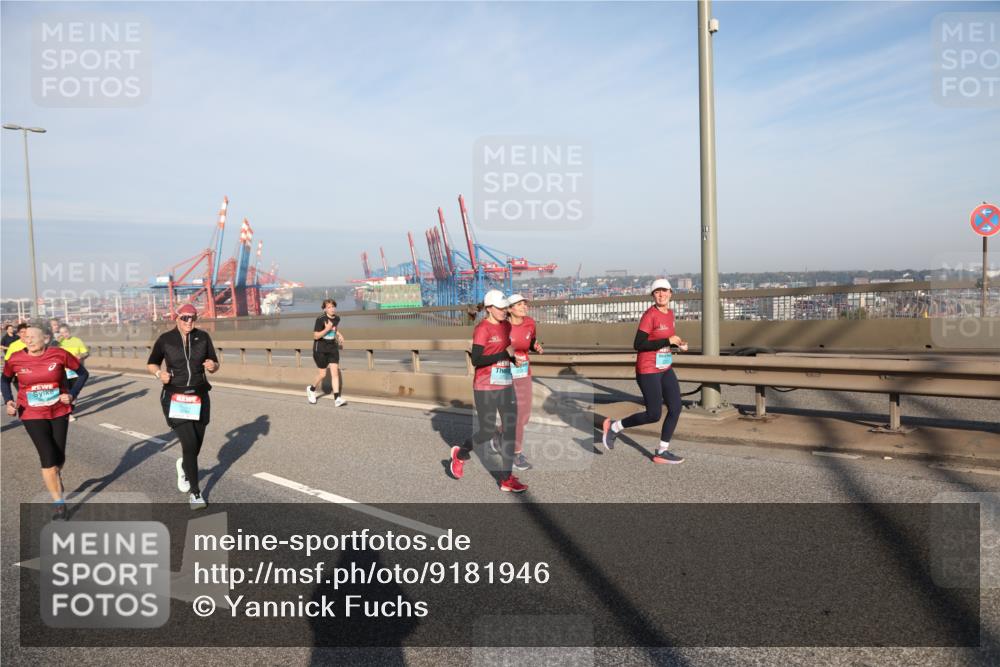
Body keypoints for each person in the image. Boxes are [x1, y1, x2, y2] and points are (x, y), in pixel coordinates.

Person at [2, 325, 90, 520]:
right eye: (26, 337)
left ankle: (56, 476)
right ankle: (59, 503)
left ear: (46, 338)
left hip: (59, 410)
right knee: (48, 458)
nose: (29, 340)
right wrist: (9, 400)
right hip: (31, 412)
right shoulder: (16, 358)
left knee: (59, 458)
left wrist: (72, 395)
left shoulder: (59, 354)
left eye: (34, 337)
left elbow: (83, 373)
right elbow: (5, 380)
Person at [602, 279, 688, 463]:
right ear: (653, 295)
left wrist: (678, 344)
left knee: (676, 408)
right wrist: (668, 342)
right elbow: (639, 344)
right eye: (657, 292)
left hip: (665, 367)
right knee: (653, 414)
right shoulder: (650, 315)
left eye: (664, 291)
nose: (661, 294)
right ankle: (615, 427)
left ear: (671, 293)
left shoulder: (670, 314)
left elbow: (666, 339)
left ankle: (662, 451)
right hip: (648, 369)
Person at [450, 290, 527, 493]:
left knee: (510, 429)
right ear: (490, 309)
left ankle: (506, 479)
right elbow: (477, 360)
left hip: (505, 383)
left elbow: (506, 348)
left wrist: (512, 358)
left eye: (505, 308)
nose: (504, 312)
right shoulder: (482, 329)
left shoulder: (506, 325)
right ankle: (460, 454)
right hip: (485, 386)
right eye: (501, 309)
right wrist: (501, 354)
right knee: (486, 430)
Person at [146, 304, 220, 509]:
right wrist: (159, 374)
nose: (189, 321)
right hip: (175, 397)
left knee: (195, 445)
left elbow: (214, 362)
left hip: (200, 396)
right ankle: (195, 493)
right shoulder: (165, 340)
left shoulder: (203, 337)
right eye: (185, 318)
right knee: (188, 444)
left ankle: (183, 466)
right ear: (176, 318)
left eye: (193, 318)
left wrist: (213, 366)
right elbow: (152, 363)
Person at [491, 294, 543, 471]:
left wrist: (535, 346)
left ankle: (498, 433)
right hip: (504, 373)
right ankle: (516, 453)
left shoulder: (530, 323)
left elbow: (530, 340)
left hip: (523, 373)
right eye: (519, 305)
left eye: (525, 304)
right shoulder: (501, 326)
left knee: (525, 416)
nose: (524, 307)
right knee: (517, 417)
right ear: (510, 308)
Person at [306, 299, 346, 406]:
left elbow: (334, 328)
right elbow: (316, 336)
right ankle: (311, 389)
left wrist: (339, 334)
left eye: (333, 306)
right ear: (325, 309)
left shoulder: (337, 318)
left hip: (332, 348)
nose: (332, 309)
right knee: (322, 374)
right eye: (329, 307)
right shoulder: (320, 319)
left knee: (335, 373)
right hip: (320, 349)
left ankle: (337, 399)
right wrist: (327, 329)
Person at [57, 324, 90, 422]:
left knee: (74, 392)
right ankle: (67, 412)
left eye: (66, 332)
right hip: (62, 371)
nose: (64, 335)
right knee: (65, 392)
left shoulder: (77, 341)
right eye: (62, 333)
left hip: (75, 371)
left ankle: (70, 412)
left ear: (69, 331)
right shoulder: (58, 343)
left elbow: (86, 353)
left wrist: (81, 355)